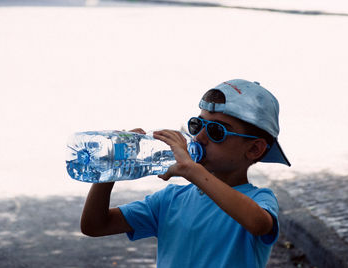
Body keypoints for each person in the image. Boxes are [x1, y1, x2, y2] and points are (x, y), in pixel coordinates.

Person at [80, 79, 291, 267]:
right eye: (197, 124)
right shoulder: (170, 200)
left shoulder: (259, 199)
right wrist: (110, 170)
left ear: (254, 149)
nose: (199, 137)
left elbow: (258, 224)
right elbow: (95, 225)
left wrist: (192, 170)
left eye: (217, 131)